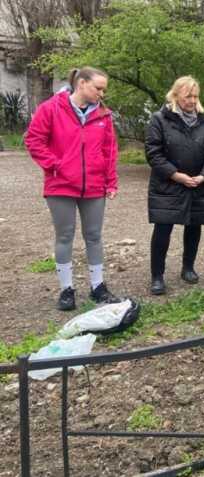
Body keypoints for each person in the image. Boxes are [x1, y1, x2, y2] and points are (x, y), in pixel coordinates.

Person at [24, 66, 119, 310]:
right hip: (60, 185)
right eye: (98, 88)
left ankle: (98, 287)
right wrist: (55, 166)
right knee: (65, 235)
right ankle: (67, 290)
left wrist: (110, 181)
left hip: (94, 186)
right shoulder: (51, 109)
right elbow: (33, 140)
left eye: (104, 89)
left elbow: (109, 151)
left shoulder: (104, 115)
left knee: (94, 236)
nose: (102, 93)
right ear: (82, 84)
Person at [144, 76, 204, 295]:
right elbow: (153, 153)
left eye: (195, 96)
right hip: (168, 185)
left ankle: (188, 268)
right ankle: (157, 276)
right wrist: (176, 175)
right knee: (163, 229)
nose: (192, 100)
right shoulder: (159, 119)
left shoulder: (203, 121)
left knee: (194, 227)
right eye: (188, 96)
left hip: (198, 185)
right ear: (176, 95)